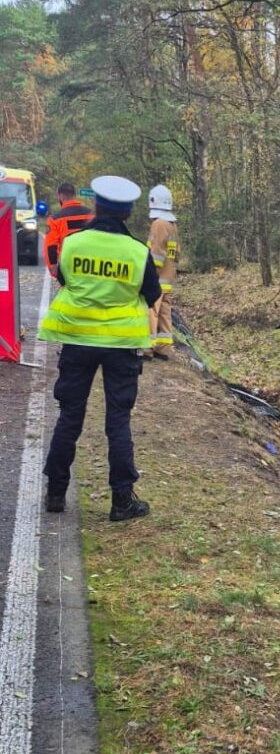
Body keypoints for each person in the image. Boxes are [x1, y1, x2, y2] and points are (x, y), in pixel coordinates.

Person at [39, 175, 162, 521]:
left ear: (97, 206)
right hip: (122, 346)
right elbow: (152, 295)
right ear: (128, 212)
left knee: (69, 416)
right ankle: (122, 500)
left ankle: (56, 493)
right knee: (118, 420)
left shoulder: (75, 243)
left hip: (78, 341)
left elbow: (64, 278)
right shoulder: (138, 252)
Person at [146, 184, 180, 359]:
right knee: (165, 314)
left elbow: (156, 255)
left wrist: (148, 273)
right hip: (168, 279)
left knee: (151, 311)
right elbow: (176, 254)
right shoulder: (172, 225)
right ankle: (163, 348)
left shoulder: (159, 224)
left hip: (157, 279)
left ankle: (147, 348)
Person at [43, 182, 94, 276]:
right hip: (90, 265)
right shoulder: (91, 215)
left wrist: (53, 268)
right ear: (74, 195)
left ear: (61, 196)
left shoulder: (55, 219)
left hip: (68, 266)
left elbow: (51, 246)